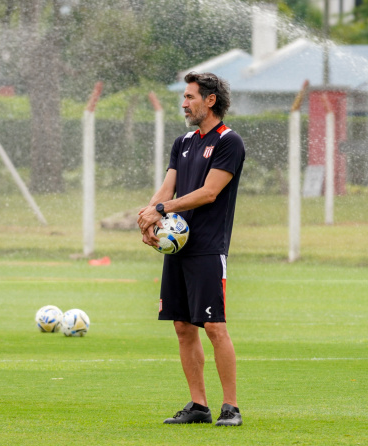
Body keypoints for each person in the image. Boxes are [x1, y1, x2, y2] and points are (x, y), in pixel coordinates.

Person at [137, 72, 245, 426]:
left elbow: (209, 192)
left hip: (208, 249)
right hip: (177, 249)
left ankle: (231, 407)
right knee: (183, 326)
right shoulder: (182, 141)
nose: (184, 104)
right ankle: (198, 405)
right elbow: (167, 187)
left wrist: (163, 210)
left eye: (190, 97)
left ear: (210, 100)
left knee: (214, 326)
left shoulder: (229, 142)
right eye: (184, 98)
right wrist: (149, 217)